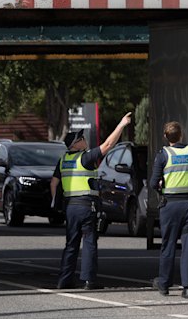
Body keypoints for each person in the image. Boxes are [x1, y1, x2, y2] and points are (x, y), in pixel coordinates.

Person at [51, 112, 132, 290]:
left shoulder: (63, 160)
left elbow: (54, 183)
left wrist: (56, 203)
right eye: (81, 138)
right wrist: (121, 124)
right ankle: (89, 280)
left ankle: (64, 280)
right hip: (87, 206)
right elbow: (109, 144)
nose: (84, 139)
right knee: (89, 242)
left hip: (71, 207)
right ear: (75, 144)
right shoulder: (85, 158)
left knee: (71, 243)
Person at [151, 121, 188, 299]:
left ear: (165, 137)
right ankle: (187, 288)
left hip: (170, 206)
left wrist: (161, 186)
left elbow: (154, 182)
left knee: (168, 245)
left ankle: (164, 284)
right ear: (181, 135)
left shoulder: (163, 155)